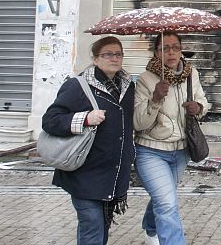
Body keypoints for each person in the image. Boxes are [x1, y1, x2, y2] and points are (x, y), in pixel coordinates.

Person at [42, 36, 135, 245]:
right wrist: (85, 118)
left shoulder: (129, 87)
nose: (114, 58)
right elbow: (50, 121)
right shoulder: (78, 86)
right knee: (92, 225)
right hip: (85, 173)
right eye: (108, 54)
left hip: (113, 174)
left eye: (118, 54)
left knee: (102, 224)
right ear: (95, 58)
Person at [134, 31, 210, 245]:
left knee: (163, 197)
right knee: (167, 202)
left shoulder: (190, 73)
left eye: (175, 47)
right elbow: (139, 123)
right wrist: (155, 99)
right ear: (156, 52)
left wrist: (199, 108)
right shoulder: (145, 80)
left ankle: (150, 227)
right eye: (164, 48)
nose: (171, 52)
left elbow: (204, 101)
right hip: (151, 151)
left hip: (181, 151)